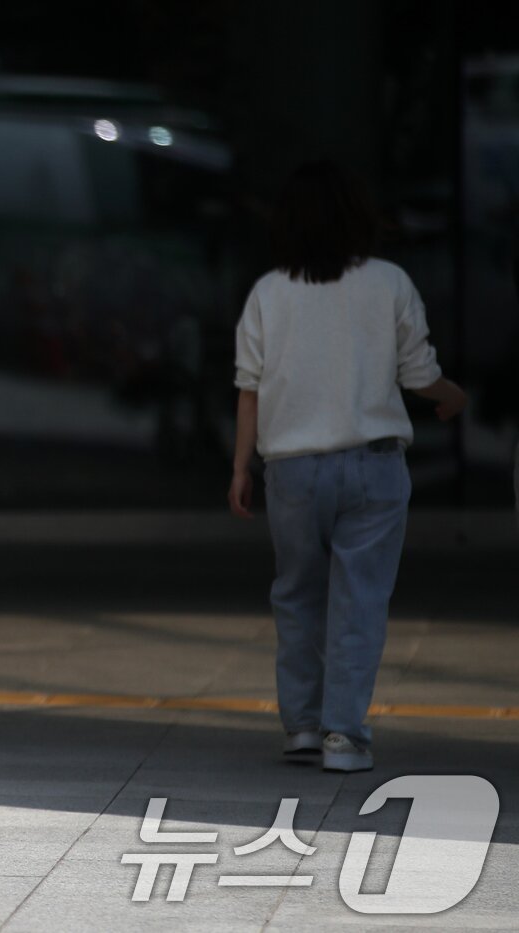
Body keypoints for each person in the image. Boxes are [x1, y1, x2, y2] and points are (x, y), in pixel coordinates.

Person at [229, 161, 468, 773]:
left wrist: (240, 468)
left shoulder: (268, 293)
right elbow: (418, 374)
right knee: (360, 602)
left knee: (298, 597)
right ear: (360, 220)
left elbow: (249, 389)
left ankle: (303, 727)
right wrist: (451, 397)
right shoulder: (389, 283)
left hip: (292, 472)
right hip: (374, 467)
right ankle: (344, 737)